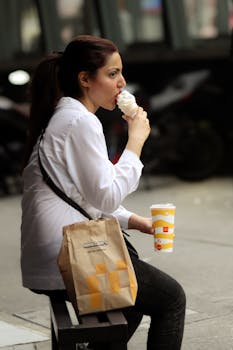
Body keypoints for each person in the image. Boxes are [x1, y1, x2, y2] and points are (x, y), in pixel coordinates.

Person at [20, 35, 186, 349]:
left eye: (121, 73)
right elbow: (106, 196)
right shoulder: (80, 122)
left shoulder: (66, 117)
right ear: (85, 79)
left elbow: (88, 194)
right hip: (70, 254)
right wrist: (135, 141)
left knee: (132, 304)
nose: (122, 83)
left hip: (53, 250)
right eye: (112, 74)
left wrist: (136, 221)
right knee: (172, 299)